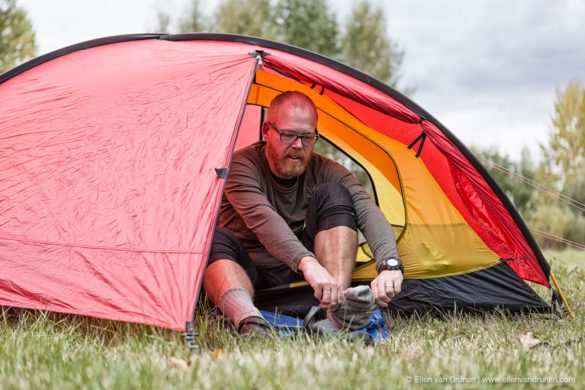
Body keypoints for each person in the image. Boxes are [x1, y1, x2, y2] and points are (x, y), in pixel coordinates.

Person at [204, 91, 403, 336]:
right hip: (251, 278)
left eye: (307, 137)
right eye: (288, 135)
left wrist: (390, 264)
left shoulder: (326, 170)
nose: (298, 145)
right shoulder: (240, 165)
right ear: (267, 131)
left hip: (310, 284)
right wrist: (307, 262)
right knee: (212, 238)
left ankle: (335, 311)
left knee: (336, 194)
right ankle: (250, 321)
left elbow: (366, 209)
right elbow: (264, 220)